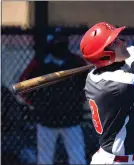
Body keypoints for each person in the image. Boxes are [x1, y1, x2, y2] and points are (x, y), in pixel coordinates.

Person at [80, 22, 134, 164]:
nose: (123, 42)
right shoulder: (118, 84)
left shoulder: (94, 76)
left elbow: (120, 70)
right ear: (106, 54)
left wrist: (131, 59)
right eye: (115, 42)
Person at [19, 27, 87, 164]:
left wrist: (78, 100)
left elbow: (89, 85)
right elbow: (23, 85)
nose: (60, 43)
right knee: (45, 158)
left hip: (71, 118)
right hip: (47, 119)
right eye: (57, 40)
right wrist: (37, 103)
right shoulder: (41, 64)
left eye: (63, 40)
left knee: (77, 156)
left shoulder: (75, 62)